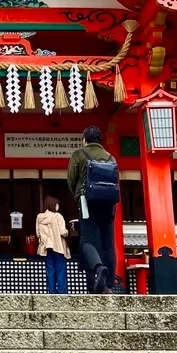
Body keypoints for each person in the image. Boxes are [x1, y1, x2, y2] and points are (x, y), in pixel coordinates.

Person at [66, 125, 117, 294]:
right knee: (108, 243)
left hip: (87, 201)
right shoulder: (111, 158)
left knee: (86, 240)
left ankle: (98, 267)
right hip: (108, 203)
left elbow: (71, 180)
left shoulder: (79, 154)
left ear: (84, 140)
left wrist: (78, 196)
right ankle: (109, 284)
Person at [36, 196, 70, 294]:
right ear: (53, 205)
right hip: (58, 246)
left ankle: (51, 292)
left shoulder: (39, 217)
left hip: (47, 247)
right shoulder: (58, 216)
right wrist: (68, 232)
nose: (58, 206)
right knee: (60, 270)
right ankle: (62, 293)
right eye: (57, 204)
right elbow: (63, 232)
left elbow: (38, 233)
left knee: (50, 270)